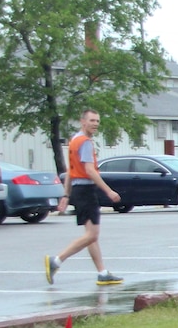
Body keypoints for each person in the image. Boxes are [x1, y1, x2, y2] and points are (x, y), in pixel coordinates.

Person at [44, 109, 124, 286]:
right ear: (83, 122)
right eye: (92, 120)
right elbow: (89, 170)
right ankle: (56, 261)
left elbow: (70, 172)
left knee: (90, 235)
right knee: (92, 235)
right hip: (86, 191)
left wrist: (66, 194)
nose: (95, 124)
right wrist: (108, 191)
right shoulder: (85, 142)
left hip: (79, 191)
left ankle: (102, 273)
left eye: (97, 121)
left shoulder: (74, 141)